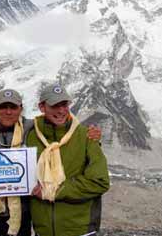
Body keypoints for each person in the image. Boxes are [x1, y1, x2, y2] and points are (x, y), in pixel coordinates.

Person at [0, 88, 102, 236]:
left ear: (21, 109)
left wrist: (90, 135)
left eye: (13, 107)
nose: (8, 112)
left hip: (22, 216)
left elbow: (60, 124)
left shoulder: (32, 129)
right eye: (3, 107)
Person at [27, 84, 110, 236]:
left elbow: (100, 181)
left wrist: (54, 191)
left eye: (64, 104)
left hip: (80, 230)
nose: (61, 111)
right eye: (54, 105)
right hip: (43, 231)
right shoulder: (30, 136)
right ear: (42, 107)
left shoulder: (86, 136)